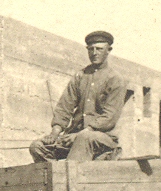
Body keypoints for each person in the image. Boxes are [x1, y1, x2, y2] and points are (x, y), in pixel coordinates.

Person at [29, 31, 129, 162]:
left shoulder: (115, 79)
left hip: (103, 139)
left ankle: (71, 178)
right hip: (74, 136)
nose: (94, 53)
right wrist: (54, 133)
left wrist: (80, 134)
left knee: (84, 139)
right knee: (37, 146)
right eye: (91, 49)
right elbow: (64, 107)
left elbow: (109, 117)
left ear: (108, 50)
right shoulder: (80, 76)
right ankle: (59, 177)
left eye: (99, 49)